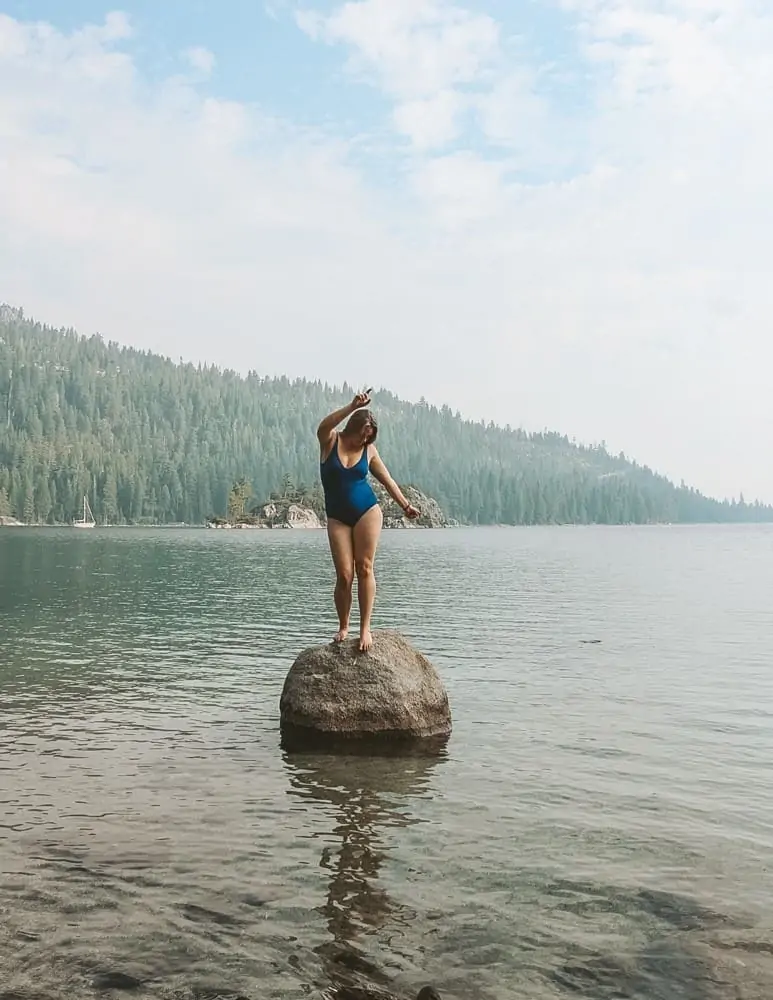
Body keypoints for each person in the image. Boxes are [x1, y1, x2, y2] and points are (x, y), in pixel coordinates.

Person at [317, 390, 420, 652]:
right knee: (344, 574)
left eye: (370, 434)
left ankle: (365, 629)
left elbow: (388, 481)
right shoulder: (330, 441)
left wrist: (405, 505)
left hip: (367, 512)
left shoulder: (369, 451)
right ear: (353, 426)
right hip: (337, 517)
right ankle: (343, 626)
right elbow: (324, 424)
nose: (366, 437)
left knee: (364, 568)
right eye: (364, 431)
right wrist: (352, 406)